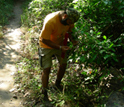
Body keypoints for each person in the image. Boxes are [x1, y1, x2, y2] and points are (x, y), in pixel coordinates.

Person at [39, 8, 80, 101]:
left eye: (71, 23)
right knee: (47, 69)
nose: (70, 24)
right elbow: (44, 39)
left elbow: (70, 31)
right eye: (69, 22)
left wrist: (72, 39)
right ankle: (44, 92)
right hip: (46, 45)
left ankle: (57, 84)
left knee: (63, 65)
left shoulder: (70, 19)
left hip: (61, 43)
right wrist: (60, 47)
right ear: (65, 16)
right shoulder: (51, 21)